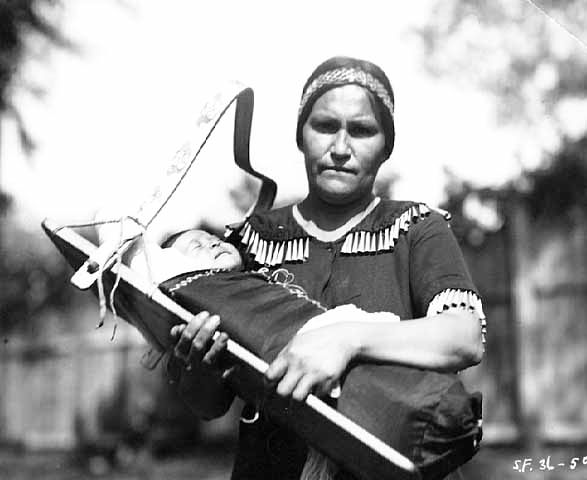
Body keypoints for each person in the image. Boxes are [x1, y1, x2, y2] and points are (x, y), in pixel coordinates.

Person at [167, 56, 486, 480]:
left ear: (386, 145)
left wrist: (348, 339)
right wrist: (198, 364)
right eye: (324, 126)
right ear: (300, 135)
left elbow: (464, 338)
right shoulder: (247, 240)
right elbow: (210, 405)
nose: (340, 148)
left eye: (361, 130)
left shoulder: (415, 228)